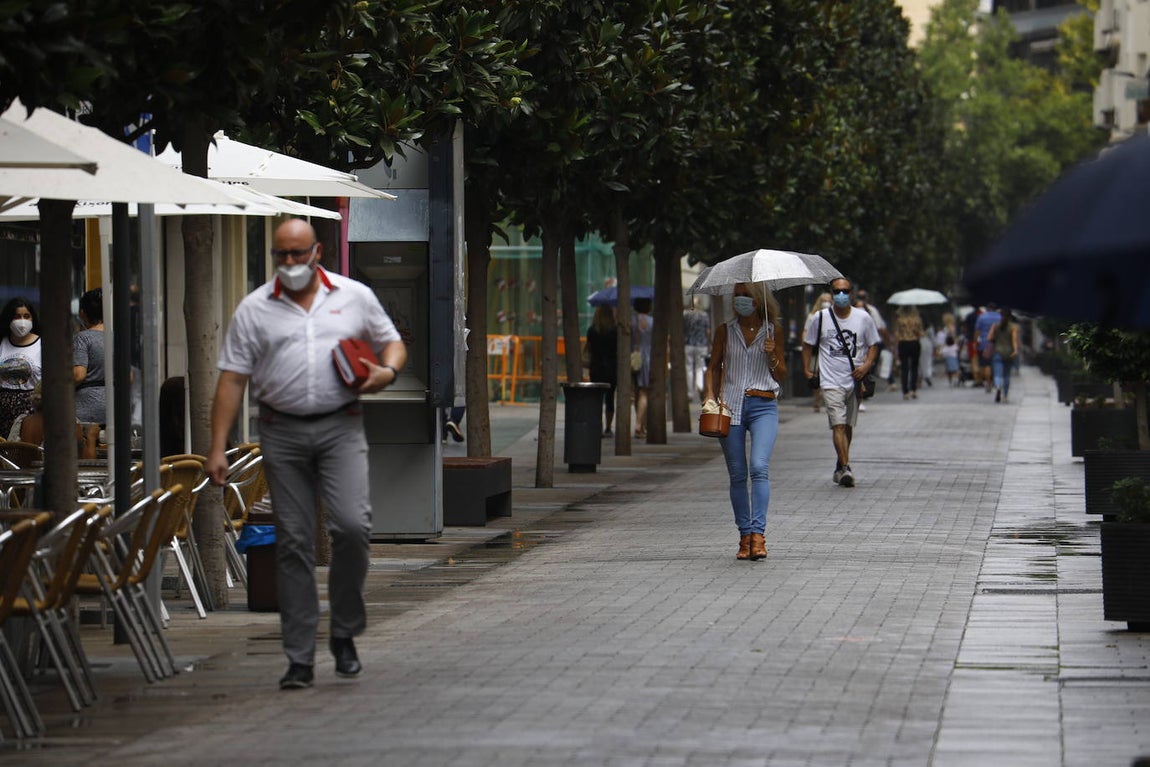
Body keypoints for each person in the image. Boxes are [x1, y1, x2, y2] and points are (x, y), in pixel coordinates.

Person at [205, 218, 407, 691]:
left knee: (353, 527)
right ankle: (299, 655)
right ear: (274, 256)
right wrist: (217, 446)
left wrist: (386, 372)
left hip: (342, 426)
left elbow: (392, 342)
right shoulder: (255, 309)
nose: (291, 263)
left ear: (317, 251)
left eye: (299, 253)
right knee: (293, 541)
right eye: (282, 255)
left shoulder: (353, 296)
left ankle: (344, 632)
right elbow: (232, 379)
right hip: (282, 431)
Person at [703, 282, 785, 561]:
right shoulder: (724, 331)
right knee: (738, 475)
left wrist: (772, 354)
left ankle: (759, 536)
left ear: (759, 300)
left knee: (759, 467)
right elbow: (713, 367)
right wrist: (710, 396)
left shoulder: (773, 331)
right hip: (731, 407)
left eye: (745, 295)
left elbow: (782, 375)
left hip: (764, 405)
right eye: (736, 296)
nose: (740, 300)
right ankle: (745, 537)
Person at [802, 278, 879, 488]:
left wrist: (866, 366)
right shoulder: (820, 318)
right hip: (830, 381)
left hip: (854, 381)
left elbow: (873, 345)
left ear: (851, 293)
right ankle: (845, 468)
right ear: (831, 293)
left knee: (847, 426)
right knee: (837, 424)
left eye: (845, 291)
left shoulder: (863, 318)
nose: (841, 295)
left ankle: (840, 463)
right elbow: (807, 345)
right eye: (837, 291)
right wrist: (807, 370)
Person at [0, 297, 42, 438]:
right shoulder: (2, 343)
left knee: (26, 452)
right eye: (17, 316)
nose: (22, 321)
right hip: (3, 408)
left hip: (31, 408)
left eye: (26, 316)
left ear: (32, 318)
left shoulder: (42, 344)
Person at [73, 288, 107, 425]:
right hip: (115, 406)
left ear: (82, 313)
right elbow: (128, 377)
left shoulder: (82, 338)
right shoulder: (118, 337)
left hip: (86, 409)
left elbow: (78, 375)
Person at [585, 304, 618, 436]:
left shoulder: (592, 331)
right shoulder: (615, 331)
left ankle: (597, 426)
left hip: (596, 367)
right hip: (611, 367)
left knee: (596, 398)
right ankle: (608, 428)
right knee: (610, 398)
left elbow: (589, 348)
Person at [803, 292, 832, 413]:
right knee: (816, 374)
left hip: (829, 350)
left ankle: (826, 397)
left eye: (828, 300)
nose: (826, 303)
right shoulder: (813, 316)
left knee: (826, 374)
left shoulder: (834, 315)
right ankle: (817, 397)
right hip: (816, 349)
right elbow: (805, 332)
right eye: (824, 300)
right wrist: (806, 344)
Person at [631, 297, 654, 438]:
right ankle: (640, 425)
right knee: (644, 392)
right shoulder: (652, 322)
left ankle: (641, 423)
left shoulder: (630, 321)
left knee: (637, 392)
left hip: (633, 357)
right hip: (647, 357)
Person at [987, 309, 1020, 403]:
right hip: (1009, 353)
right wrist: (1015, 350)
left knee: (997, 373)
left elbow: (989, 338)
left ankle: (998, 386)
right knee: (1006, 375)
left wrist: (995, 338)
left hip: (997, 352)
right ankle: (1005, 396)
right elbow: (1014, 340)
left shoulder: (995, 326)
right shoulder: (1013, 327)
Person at [682, 298, 710, 403]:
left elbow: (683, 329)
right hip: (701, 345)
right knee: (700, 367)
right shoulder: (704, 315)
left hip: (688, 344)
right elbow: (707, 331)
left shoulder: (685, 314)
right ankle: (700, 386)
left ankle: (690, 392)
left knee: (688, 368)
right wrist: (709, 342)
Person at [894, 305, 924, 400]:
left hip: (903, 343)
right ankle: (913, 390)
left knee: (904, 367)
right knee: (914, 367)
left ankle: (905, 391)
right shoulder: (917, 320)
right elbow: (921, 333)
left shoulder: (899, 320)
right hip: (914, 343)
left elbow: (896, 334)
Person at [973, 303, 1001, 392]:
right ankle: (996, 381)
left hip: (985, 344)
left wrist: (976, 342)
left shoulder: (982, 317)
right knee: (996, 363)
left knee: (986, 364)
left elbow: (977, 331)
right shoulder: (1000, 317)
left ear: (987, 309)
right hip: (997, 344)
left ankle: (988, 383)